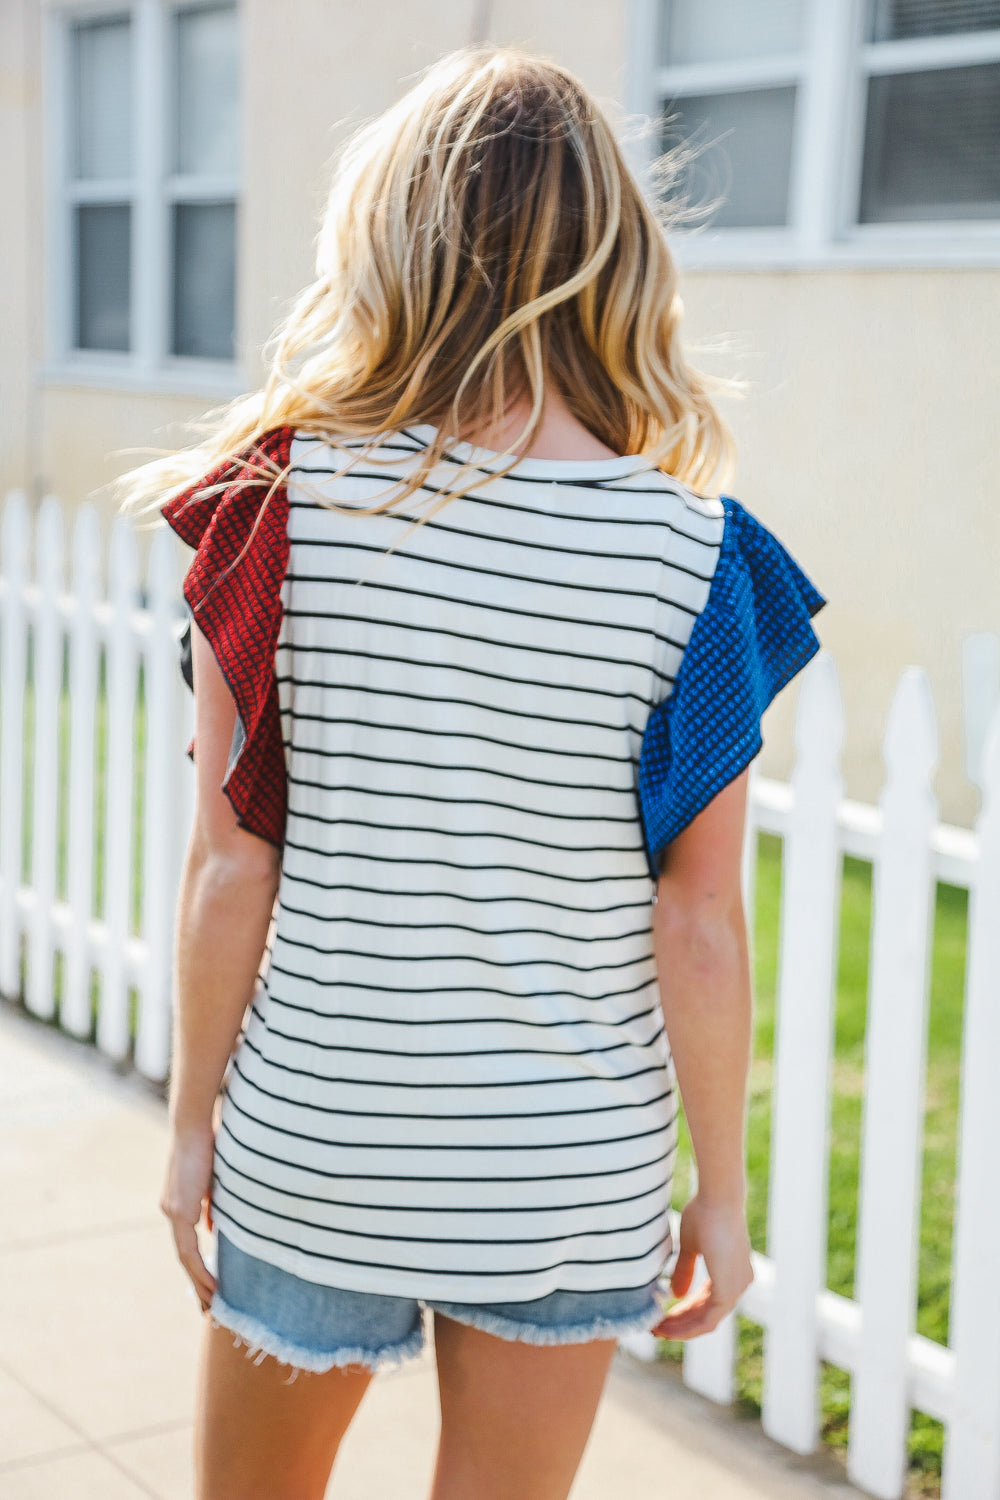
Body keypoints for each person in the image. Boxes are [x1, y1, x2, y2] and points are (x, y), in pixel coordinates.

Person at [116, 44, 824, 1500]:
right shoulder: (702, 562)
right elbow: (699, 919)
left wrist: (190, 1133)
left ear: (389, 238)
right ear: (615, 256)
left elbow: (232, 864)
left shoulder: (272, 510)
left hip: (321, 1140)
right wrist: (724, 1196)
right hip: (568, 1169)